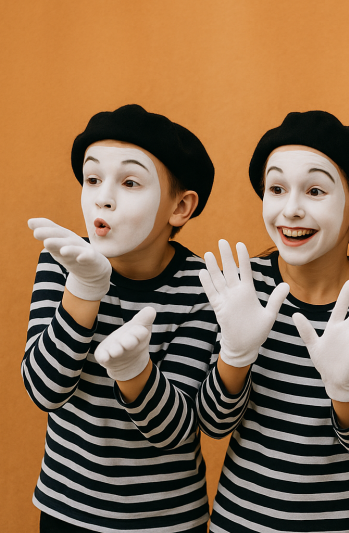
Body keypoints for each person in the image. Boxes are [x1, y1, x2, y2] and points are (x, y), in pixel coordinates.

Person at [196, 111, 349, 533]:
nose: (290, 209)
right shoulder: (242, 286)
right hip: (239, 521)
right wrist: (236, 354)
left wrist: (345, 389)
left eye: (314, 191)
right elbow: (213, 423)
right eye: (276, 189)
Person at [23, 104, 219, 532]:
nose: (103, 197)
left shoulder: (202, 287)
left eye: (130, 182)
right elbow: (44, 390)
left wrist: (135, 371)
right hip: (67, 509)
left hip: (168, 520)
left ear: (180, 207)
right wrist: (84, 289)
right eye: (92, 179)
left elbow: (175, 430)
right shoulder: (62, 260)